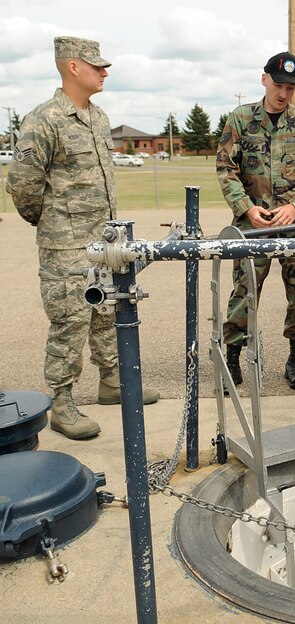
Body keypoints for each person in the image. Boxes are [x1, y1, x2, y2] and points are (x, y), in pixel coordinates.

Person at [7, 36, 159, 440]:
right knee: (70, 322)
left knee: (107, 312)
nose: (104, 72)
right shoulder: (44, 120)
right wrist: (53, 222)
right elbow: (22, 185)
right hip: (65, 245)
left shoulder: (99, 118)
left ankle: (112, 382)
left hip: (104, 240)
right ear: (73, 67)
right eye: (97, 66)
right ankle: (62, 403)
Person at [216, 51, 295, 390]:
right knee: (244, 289)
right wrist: (246, 208)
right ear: (264, 79)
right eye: (278, 84)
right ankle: (233, 358)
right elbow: (226, 168)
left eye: (290, 88)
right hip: (254, 223)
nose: (283, 93)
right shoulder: (240, 119)